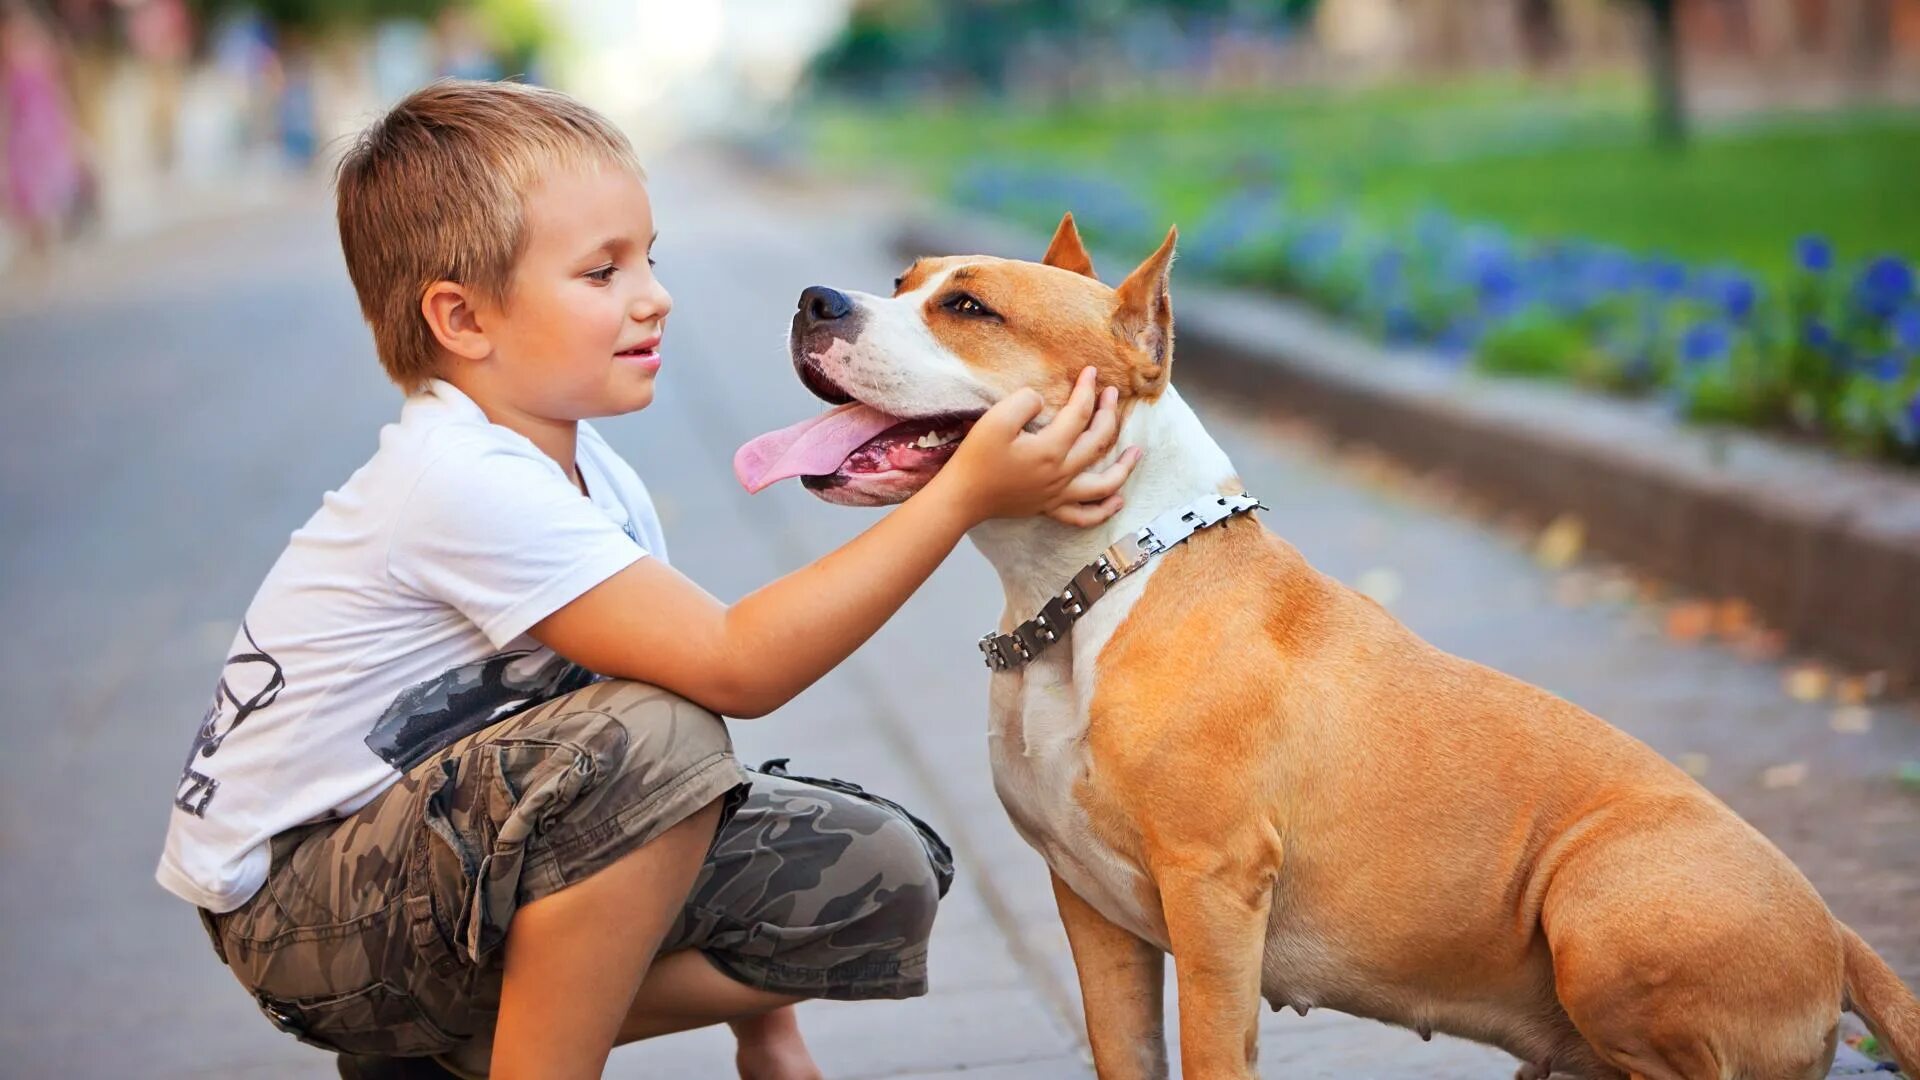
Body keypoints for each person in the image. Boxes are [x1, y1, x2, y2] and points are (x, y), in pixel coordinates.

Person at [155, 79, 1138, 1080]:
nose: (653, 295)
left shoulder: (593, 477)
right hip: (302, 915)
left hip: (449, 871)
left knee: (875, 877)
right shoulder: (453, 479)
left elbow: (667, 715)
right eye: (601, 272)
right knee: (654, 744)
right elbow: (732, 670)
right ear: (461, 317)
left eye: (649, 258)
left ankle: (448, 1049)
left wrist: (771, 1041)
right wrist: (961, 492)